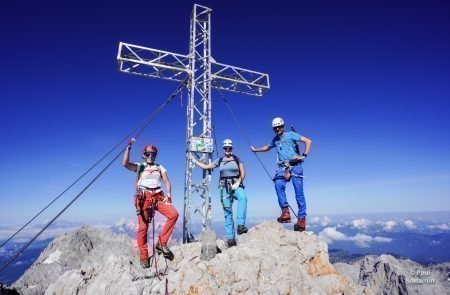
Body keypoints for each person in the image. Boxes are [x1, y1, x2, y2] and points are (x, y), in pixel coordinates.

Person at [123, 139, 179, 268]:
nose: (150, 156)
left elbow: (167, 181)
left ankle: (161, 243)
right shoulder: (140, 166)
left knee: (173, 214)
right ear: (144, 155)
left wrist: (169, 195)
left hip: (159, 196)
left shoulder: (160, 167)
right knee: (143, 228)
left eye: (153, 154)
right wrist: (128, 148)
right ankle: (144, 257)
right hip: (144, 197)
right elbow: (125, 164)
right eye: (148, 154)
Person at [251, 117, 312, 232]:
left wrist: (303, 156)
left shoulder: (291, 134)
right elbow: (267, 147)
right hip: (282, 167)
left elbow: (308, 141)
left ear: (283, 126)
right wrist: (256, 150)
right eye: (275, 128)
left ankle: (301, 220)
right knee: (278, 184)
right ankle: (285, 213)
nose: (278, 129)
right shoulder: (275, 139)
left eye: (279, 126)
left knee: (299, 193)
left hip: (295, 166)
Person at [192, 139, 248, 247]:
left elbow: (243, 172)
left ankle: (240, 225)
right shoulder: (220, 160)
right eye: (226, 148)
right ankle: (231, 238)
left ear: (231, 148)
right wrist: (195, 161)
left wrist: (238, 182)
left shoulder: (237, 159)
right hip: (224, 187)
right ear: (223, 149)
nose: (227, 150)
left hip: (236, 184)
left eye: (229, 148)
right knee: (227, 212)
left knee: (243, 197)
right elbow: (206, 166)